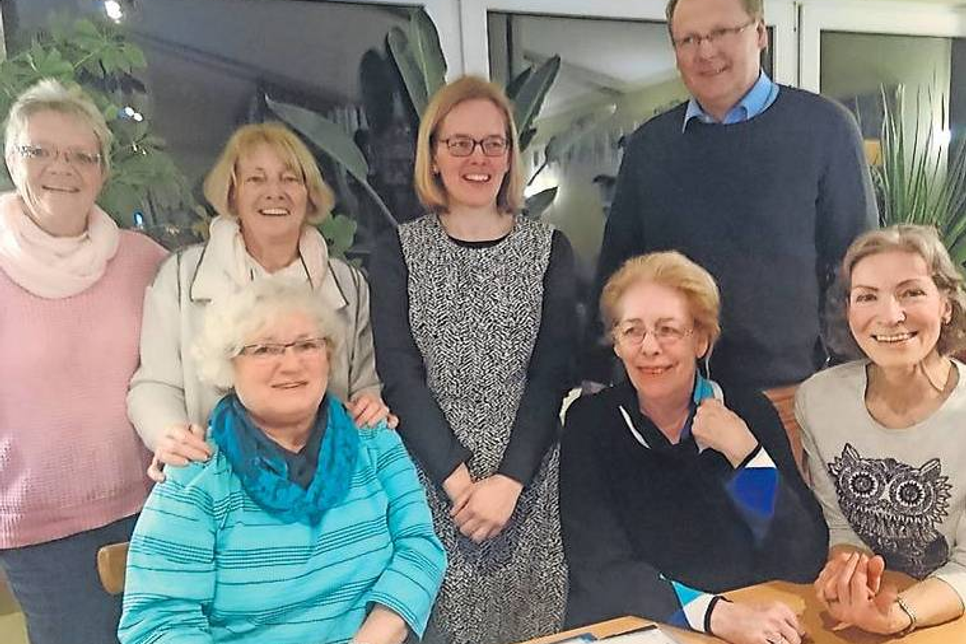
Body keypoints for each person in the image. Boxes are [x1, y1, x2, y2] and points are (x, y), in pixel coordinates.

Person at [583, 0, 877, 435]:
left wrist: (848, 378)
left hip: (787, 403)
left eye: (721, 32)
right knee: (680, 507)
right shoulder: (649, 148)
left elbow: (857, 267)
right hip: (673, 406)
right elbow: (620, 270)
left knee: (763, 503)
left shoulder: (825, 130)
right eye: (688, 40)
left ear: (759, 32)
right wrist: (606, 372)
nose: (705, 52)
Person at [118, 277, 445, 644]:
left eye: (307, 345)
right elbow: (158, 622)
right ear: (228, 363)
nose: (291, 365)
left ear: (329, 355)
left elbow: (419, 546)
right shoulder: (197, 471)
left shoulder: (374, 440)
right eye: (263, 349)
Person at [369, 75, 576, 644]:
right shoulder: (397, 252)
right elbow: (400, 378)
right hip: (432, 482)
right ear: (433, 155)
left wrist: (508, 481)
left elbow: (549, 376)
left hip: (527, 481)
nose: (477, 158)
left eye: (492, 143)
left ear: (511, 155)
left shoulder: (550, 249)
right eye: (458, 143)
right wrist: (461, 485)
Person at [562, 251, 828, 644]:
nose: (649, 347)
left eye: (668, 329)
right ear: (616, 343)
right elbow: (602, 567)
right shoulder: (592, 423)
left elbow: (800, 556)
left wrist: (746, 457)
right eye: (632, 330)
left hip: (750, 619)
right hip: (640, 626)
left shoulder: (746, 411)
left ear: (701, 339)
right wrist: (716, 615)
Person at [0, 79, 167, 644]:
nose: (61, 167)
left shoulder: (144, 262)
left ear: (102, 171)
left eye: (80, 155)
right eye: (39, 150)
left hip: (155, 510)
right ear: (10, 159)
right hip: (38, 535)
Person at [128, 122, 391, 480]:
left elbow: (364, 383)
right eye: (256, 179)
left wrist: (370, 407)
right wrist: (168, 433)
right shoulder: (180, 276)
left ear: (309, 193)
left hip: (324, 483)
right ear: (232, 193)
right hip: (214, 480)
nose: (274, 193)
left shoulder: (347, 283)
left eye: (289, 179)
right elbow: (154, 385)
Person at [796, 224, 966, 636]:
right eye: (867, 296)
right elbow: (842, 526)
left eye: (911, 292)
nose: (889, 315)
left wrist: (898, 613)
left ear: (946, 304)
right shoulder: (818, 400)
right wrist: (848, 574)